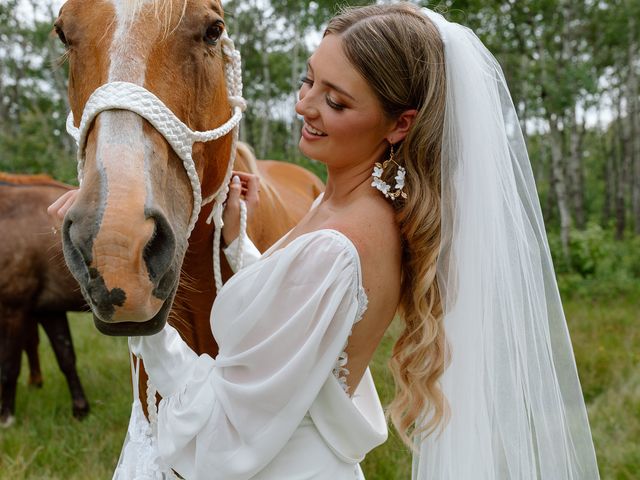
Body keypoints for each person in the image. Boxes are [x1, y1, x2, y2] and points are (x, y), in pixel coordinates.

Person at [49, 3, 600, 479]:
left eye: (336, 103)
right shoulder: (356, 205)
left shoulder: (340, 245)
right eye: (309, 81)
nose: (304, 107)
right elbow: (304, 315)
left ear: (399, 125)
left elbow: (223, 440)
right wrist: (241, 246)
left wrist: (144, 316)